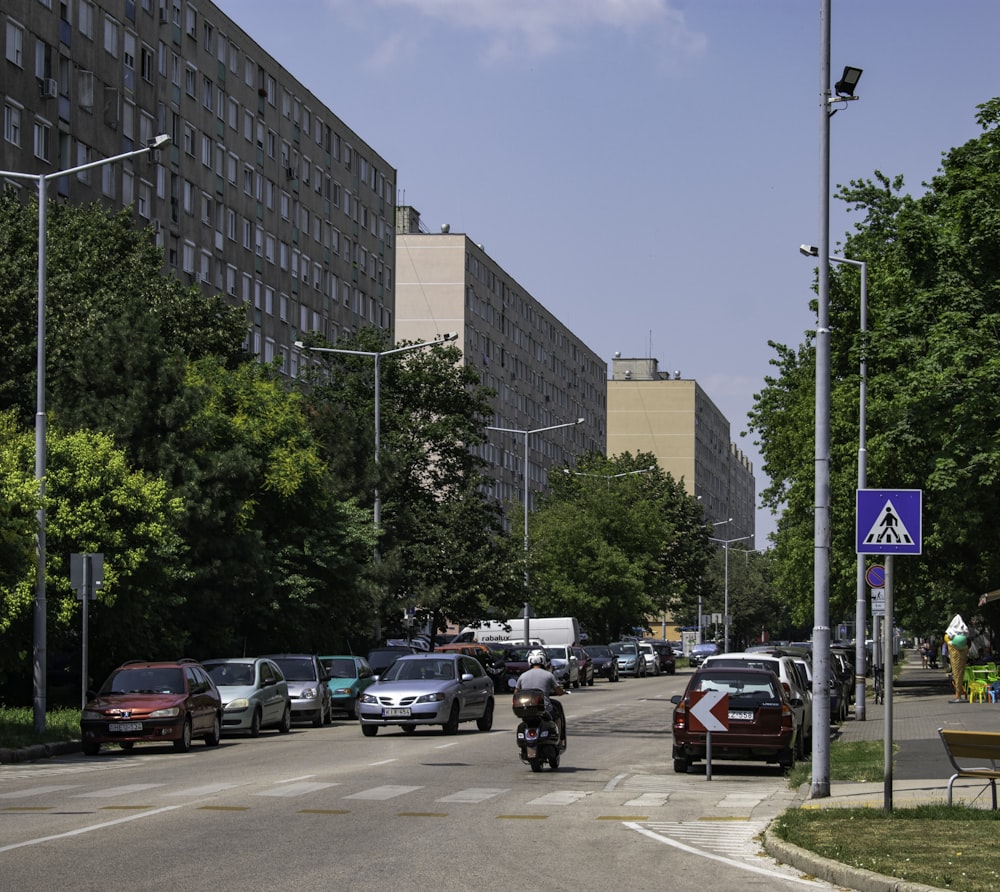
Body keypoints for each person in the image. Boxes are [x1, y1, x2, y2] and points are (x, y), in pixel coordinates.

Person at [514, 650, 566, 743]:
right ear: (544, 661)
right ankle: (560, 739)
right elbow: (558, 691)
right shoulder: (548, 675)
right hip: (545, 709)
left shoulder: (523, 676)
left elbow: (516, 693)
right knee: (557, 713)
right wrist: (563, 691)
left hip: (526, 709)